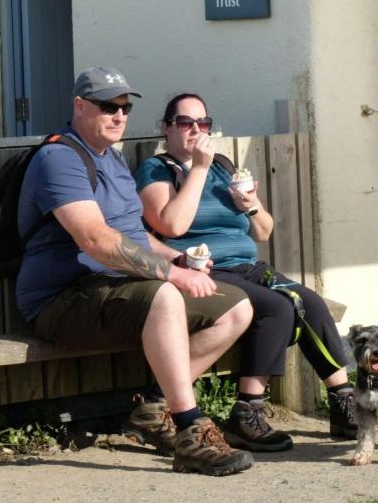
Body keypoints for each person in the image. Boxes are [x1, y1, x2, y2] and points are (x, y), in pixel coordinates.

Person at [16, 66, 256, 476]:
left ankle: (154, 409)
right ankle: (190, 431)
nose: (119, 116)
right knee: (164, 295)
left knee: (236, 306)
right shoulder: (60, 158)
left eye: (125, 108)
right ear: (79, 106)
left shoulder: (112, 158)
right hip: (61, 299)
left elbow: (135, 237)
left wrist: (177, 260)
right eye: (108, 106)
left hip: (116, 290)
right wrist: (172, 275)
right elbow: (96, 240)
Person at [136, 93, 357, 453]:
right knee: (278, 307)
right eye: (185, 123)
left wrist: (251, 205)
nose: (195, 130)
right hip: (204, 270)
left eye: (203, 123)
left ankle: (344, 402)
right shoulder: (158, 169)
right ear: (166, 127)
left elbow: (264, 231)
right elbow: (171, 224)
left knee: (311, 302)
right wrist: (199, 169)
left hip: (248, 267)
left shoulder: (223, 165)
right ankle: (246, 412)